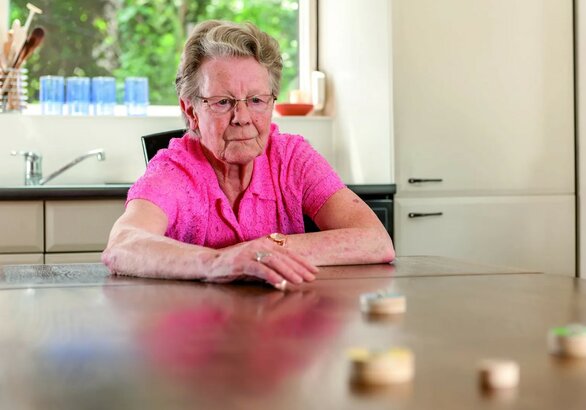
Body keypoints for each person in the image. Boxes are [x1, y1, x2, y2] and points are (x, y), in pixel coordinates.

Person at [102, 20, 394, 289]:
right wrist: (218, 263)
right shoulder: (174, 171)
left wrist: (265, 249)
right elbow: (122, 245)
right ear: (191, 110)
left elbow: (376, 241)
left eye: (256, 100)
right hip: (195, 331)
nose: (242, 117)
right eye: (223, 102)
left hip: (282, 327)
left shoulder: (292, 157)